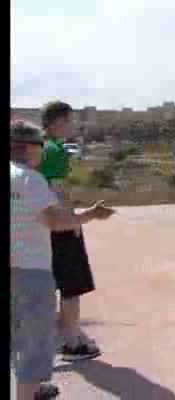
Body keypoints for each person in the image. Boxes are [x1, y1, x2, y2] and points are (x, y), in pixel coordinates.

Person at [10, 121, 114, 400]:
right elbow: (54, 220)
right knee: (34, 344)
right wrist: (89, 215)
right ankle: (26, 394)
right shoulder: (29, 179)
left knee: (15, 338)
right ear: (32, 148)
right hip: (30, 271)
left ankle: (30, 388)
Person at [38, 101, 101, 361]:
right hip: (58, 224)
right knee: (71, 284)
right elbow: (57, 190)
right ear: (58, 122)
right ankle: (73, 342)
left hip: (38, 225)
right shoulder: (54, 149)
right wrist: (74, 221)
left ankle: (66, 335)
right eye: (70, 121)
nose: (73, 126)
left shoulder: (36, 146)